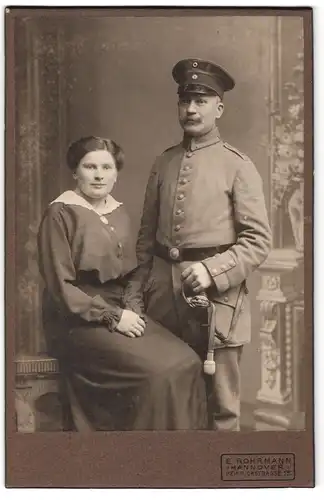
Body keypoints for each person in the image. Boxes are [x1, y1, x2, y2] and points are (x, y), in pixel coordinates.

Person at [136, 58, 272, 431]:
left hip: (216, 303)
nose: (191, 109)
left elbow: (258, 241)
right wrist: (142, 290)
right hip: (162, 299)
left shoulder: (238, 165)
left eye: (201, 100)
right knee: (170, 397)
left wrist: (212, 271)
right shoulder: (164, 163)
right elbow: (146, 240)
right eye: (185, 101)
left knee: (222, 408)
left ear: (219, 107)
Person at [37, 135, 208, 431]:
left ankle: (182, 460)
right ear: (75, 172)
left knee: (187, 361)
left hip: (122, 309)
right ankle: (142, 460)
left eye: (107, 167)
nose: (99, 175)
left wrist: (131, 308)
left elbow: (132, 274)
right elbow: (61, 288)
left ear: (116, 173)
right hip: (77, 319)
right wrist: (113, 317)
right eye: (90, 167)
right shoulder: (59, 213)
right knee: (159, 373)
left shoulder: (118, 212)